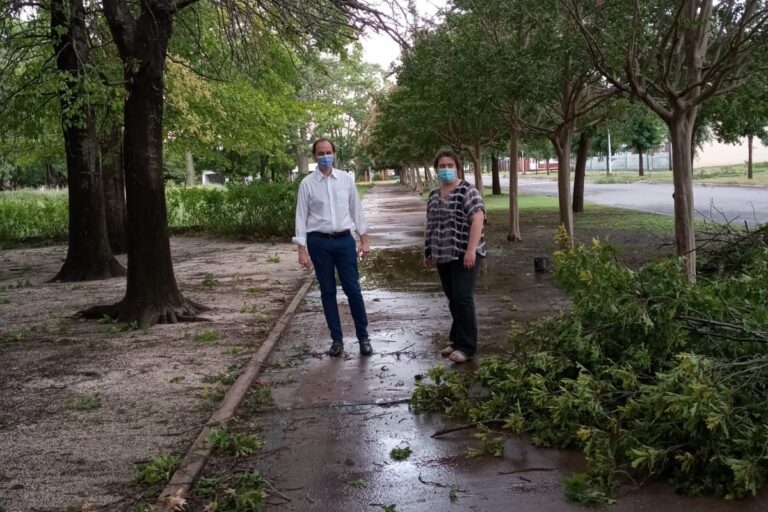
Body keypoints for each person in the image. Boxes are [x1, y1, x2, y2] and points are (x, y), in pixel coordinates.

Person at [293, 138, 372, 357]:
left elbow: (356, 210)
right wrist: (302, 249)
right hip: (319, 243)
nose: (325, 156)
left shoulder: (346, 180)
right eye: (320, 153)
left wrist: (364, 239)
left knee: (352, 289)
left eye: (328, 152)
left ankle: (363, 338)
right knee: (327, 292)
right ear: (314, 156)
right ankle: (336, 340)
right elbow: (301, 217)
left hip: (344, 242)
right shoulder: (307, 184)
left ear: (334, 153)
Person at [423, 149, 486, 363]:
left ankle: (467, 347)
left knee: (463, 298)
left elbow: (478, 220)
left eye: (450, 165)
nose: (446, 169)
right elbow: (431, 225)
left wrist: (471, 250)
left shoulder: (468, 191)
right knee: (453, 299)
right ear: (436, 169)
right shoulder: (433, 195)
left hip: (464, 254)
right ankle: (457, 340)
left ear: (457, 168)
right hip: (443, 255)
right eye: (442, 166)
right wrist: (428, 251)